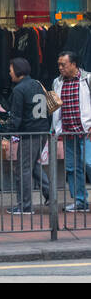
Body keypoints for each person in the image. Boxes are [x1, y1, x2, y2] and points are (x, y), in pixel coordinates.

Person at [0, 57, 51, 215]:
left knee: (23, 169)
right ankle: (50, 195)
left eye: (11, 69)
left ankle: (25, 206)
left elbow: (16, 117)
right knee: (32, 166)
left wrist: (7, 135)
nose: (9, 73)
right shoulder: (37, 84)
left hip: (29, 133)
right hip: (42, 131)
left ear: (18, 70)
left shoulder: (19, 89)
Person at [52, 51, 91, 212]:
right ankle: (80, 201)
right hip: (68, 132)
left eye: (64, 64)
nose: (60, 68)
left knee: (89, 163)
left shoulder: (87, 79)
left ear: (74, 64)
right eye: (59, 65)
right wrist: (56, 128)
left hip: (87, 131)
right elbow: (54, 106)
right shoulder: (57, 82)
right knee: (72, 167)